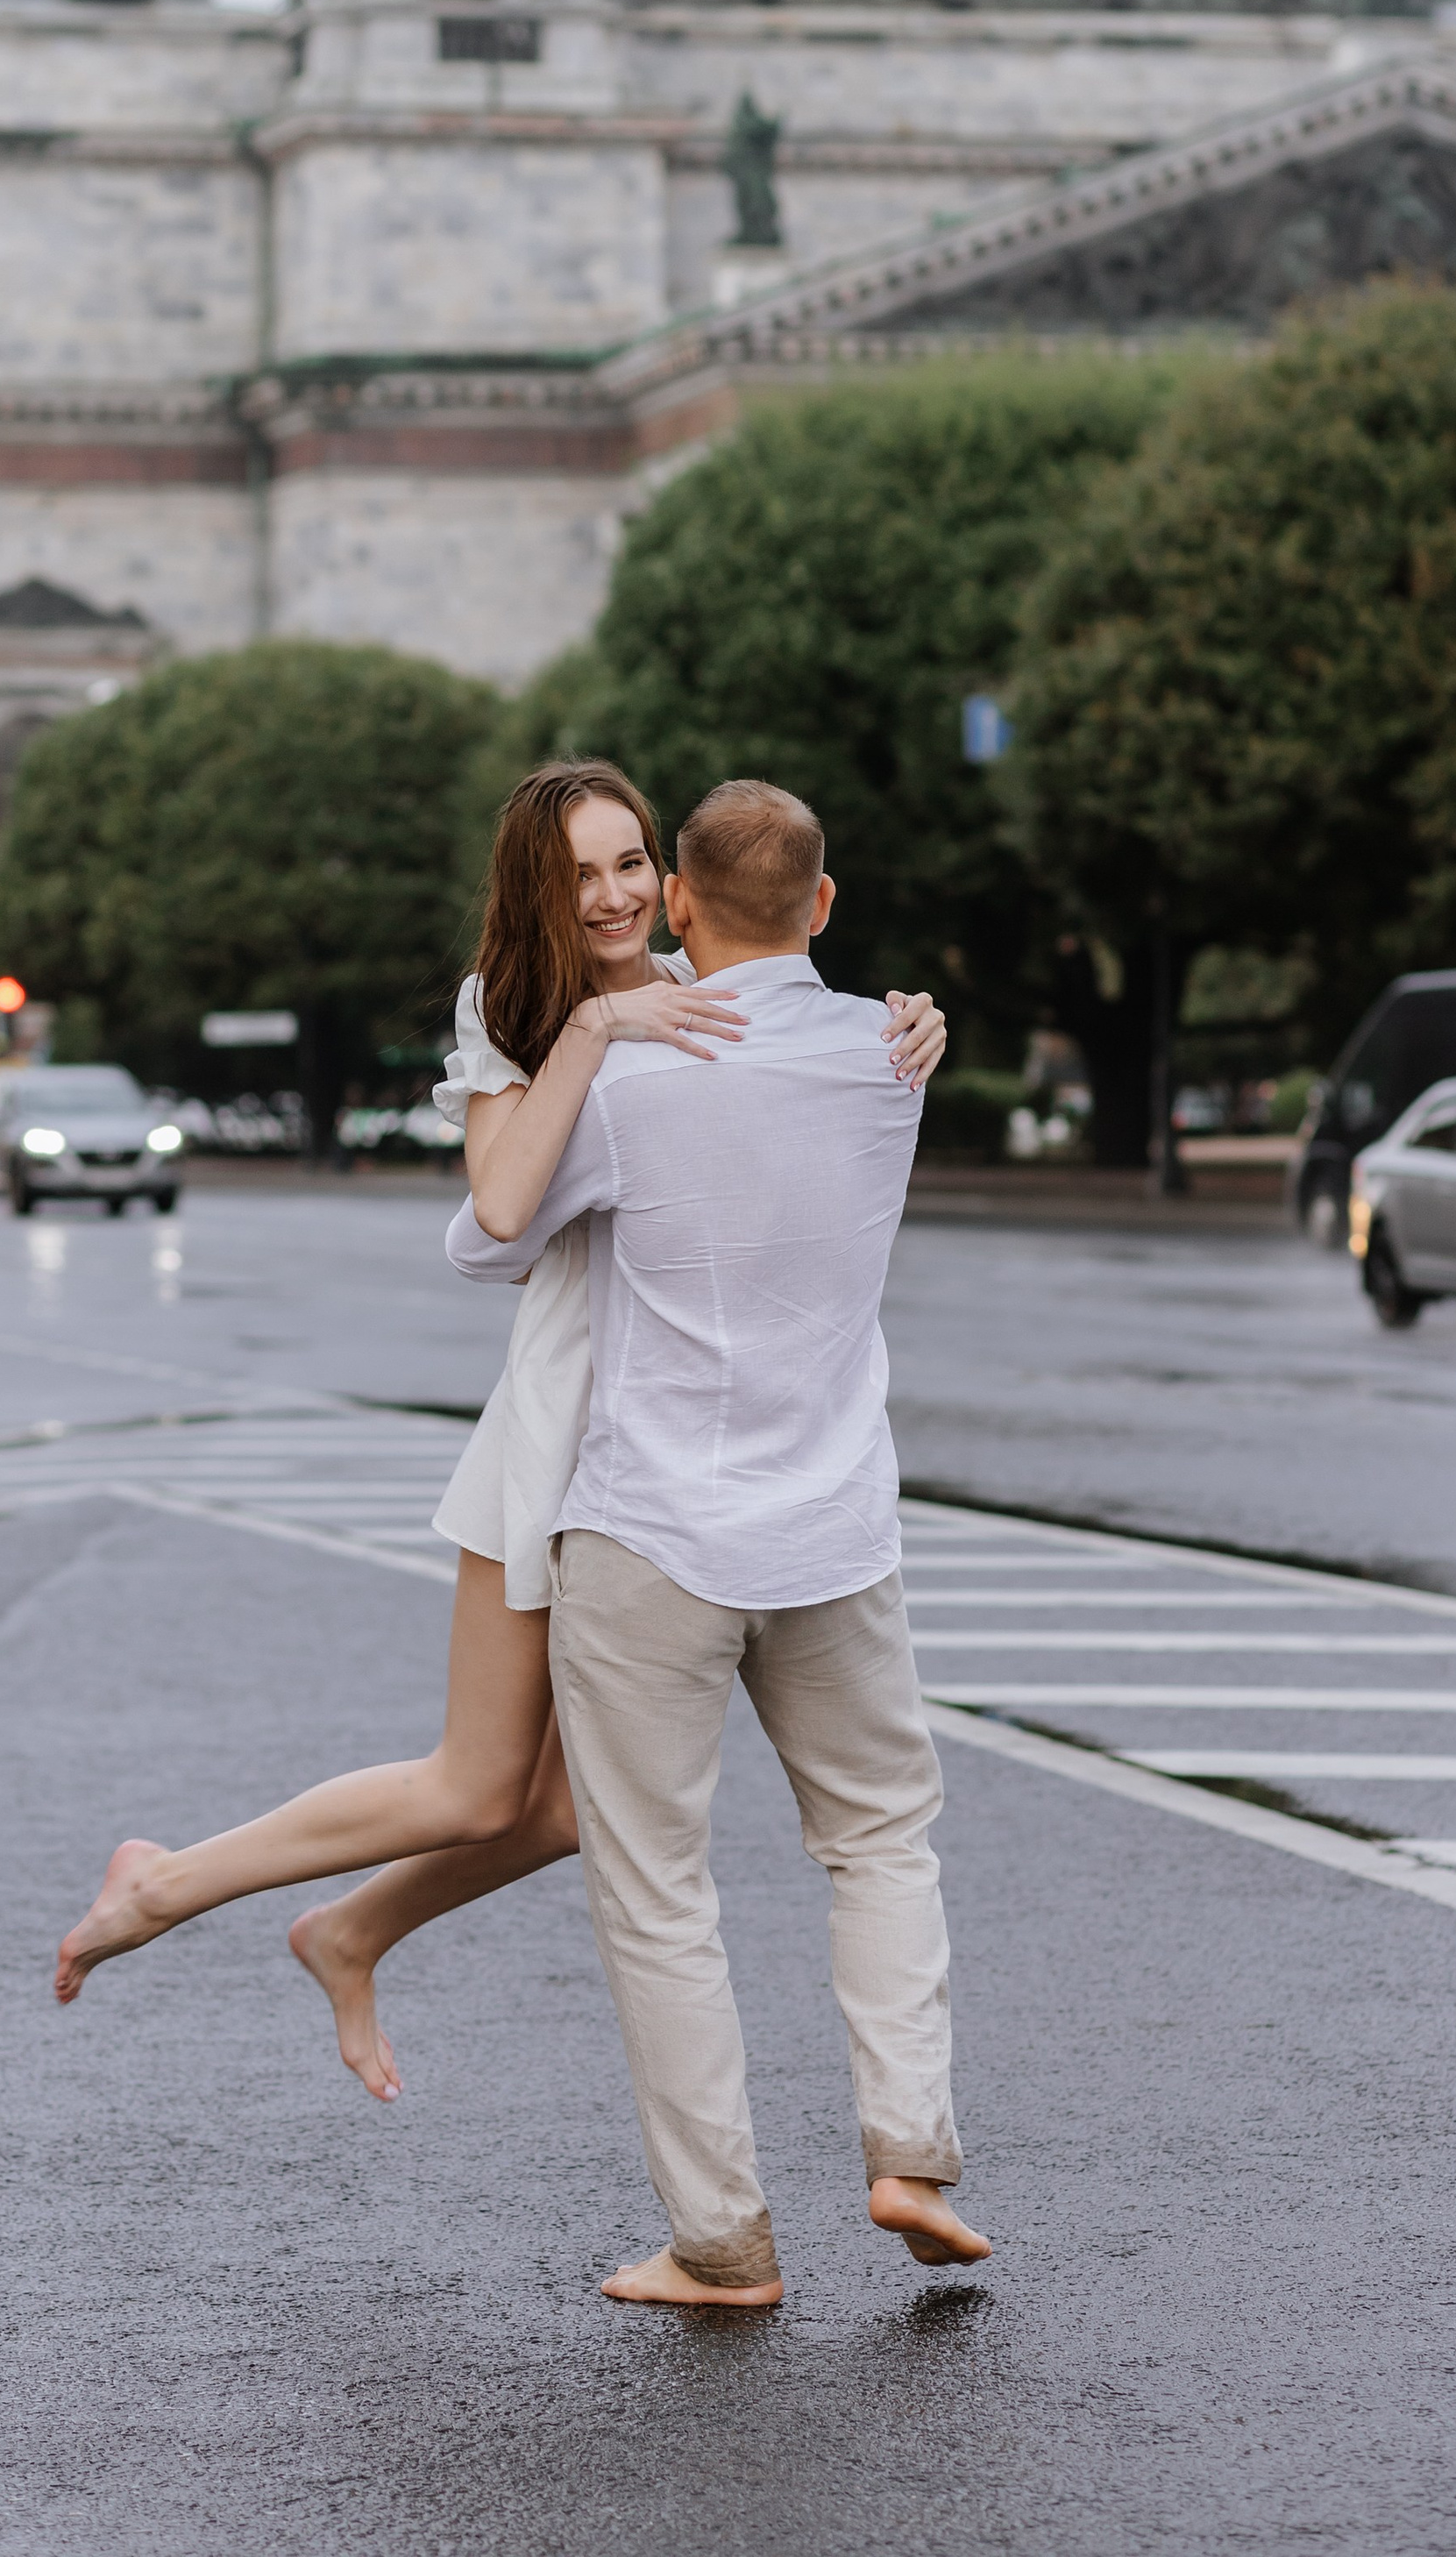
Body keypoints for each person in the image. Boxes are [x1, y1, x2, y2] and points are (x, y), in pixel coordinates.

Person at [53, 763, 946, 2082]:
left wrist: (914, 1023)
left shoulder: (708, 981)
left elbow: (800, 1060)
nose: (613, 896)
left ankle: (349, 1932)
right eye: (580, 874)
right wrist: (596, 1032)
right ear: (537, 890)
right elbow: (498, 1216)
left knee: (568, 1814)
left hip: (671, 1452)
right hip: (561, 1427)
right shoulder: (514, 1008)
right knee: (475, 1785)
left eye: (631, 864)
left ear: (675, 886)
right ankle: (163, 1884)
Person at [447, 778, 988, 2305]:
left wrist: (589, 1044)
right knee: (881, 1840)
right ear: (825, 905)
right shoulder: (893, 1055)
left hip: (652, 1534)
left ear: (677, 903)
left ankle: (723, 2241)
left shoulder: (632, 1078)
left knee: (659, 1893)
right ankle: (910, 2154)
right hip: (834, 1533)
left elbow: (487, 1236)